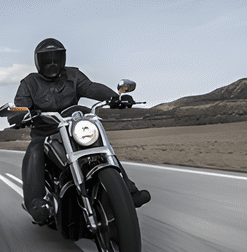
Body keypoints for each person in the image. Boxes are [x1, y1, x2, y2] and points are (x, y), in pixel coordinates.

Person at [14, 38, 151, 225]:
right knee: (35, 149)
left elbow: (91, 87)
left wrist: (114, 97)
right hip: (45, 132)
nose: (52, 63)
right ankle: (36, 203)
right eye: (47, 60)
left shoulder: (73, 75)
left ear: (63, 59)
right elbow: (21, 105)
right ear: (39, 62)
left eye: (56, 59)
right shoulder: (30, 83)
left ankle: (127, 191)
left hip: (73, 127)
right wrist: (20, 114)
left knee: (98, 142)